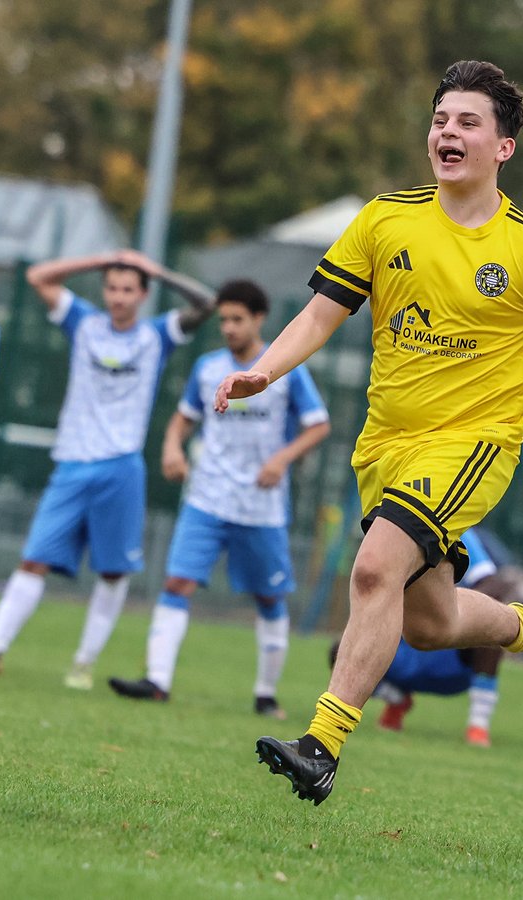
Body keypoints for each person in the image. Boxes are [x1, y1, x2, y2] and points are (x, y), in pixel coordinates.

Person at [215, 60, 523, 806]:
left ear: (504, 148)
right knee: (428, 623)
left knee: (373, 571)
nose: (447, 134)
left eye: (467, 123)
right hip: (386, 443)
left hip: (473, 443)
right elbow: (319, 316)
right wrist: (263, 372)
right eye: (440, 120)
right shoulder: (384, 219)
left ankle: (321, 745)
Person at [0, 249, 213, 688]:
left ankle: (83, 664)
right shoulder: (85, 323)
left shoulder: (157, 335)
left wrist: (160, 271)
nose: (118, 297)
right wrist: (103, 260)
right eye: (112, 287)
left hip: (121, 467)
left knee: (113, 571)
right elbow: (38, 275)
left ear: (143, 294)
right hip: (72, 462)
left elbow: (206, 303)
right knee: (33, 559)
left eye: (129, 289)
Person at [107, 280, 331, 715]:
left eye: (237, 319)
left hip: (261, 506)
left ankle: (265, 695)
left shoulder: (283, 371)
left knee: (269, 599)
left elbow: (318, 426)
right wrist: (172, 448)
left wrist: (281, 459)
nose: (228, 327)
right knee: (178, 582)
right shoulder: (209, 368)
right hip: (207, 497)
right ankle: (157, 680)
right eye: (224, 319)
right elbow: (181, 421)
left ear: (258, 320)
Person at [358, 528, 523, 747]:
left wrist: (445, 605)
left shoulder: (455, 526)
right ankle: (395, 698)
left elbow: (494, 584)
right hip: (403, 653)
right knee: (343, 649)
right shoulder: (388, 527)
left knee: (491, 627)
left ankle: (478, 725)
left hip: (451, 656)